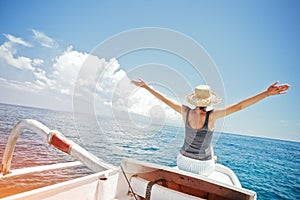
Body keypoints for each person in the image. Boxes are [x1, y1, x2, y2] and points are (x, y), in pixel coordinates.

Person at [131, 79, 290, 176]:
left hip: (182, 162)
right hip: (201, 167)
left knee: (209, 148)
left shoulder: (185, 111)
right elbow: (240, 106)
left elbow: (164, 99)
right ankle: (212, 159)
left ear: (194, 100)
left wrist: (146, 87)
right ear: (209, 101)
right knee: (211, 152)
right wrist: (266, 94)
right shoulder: (211, 116)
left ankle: (211, 157)